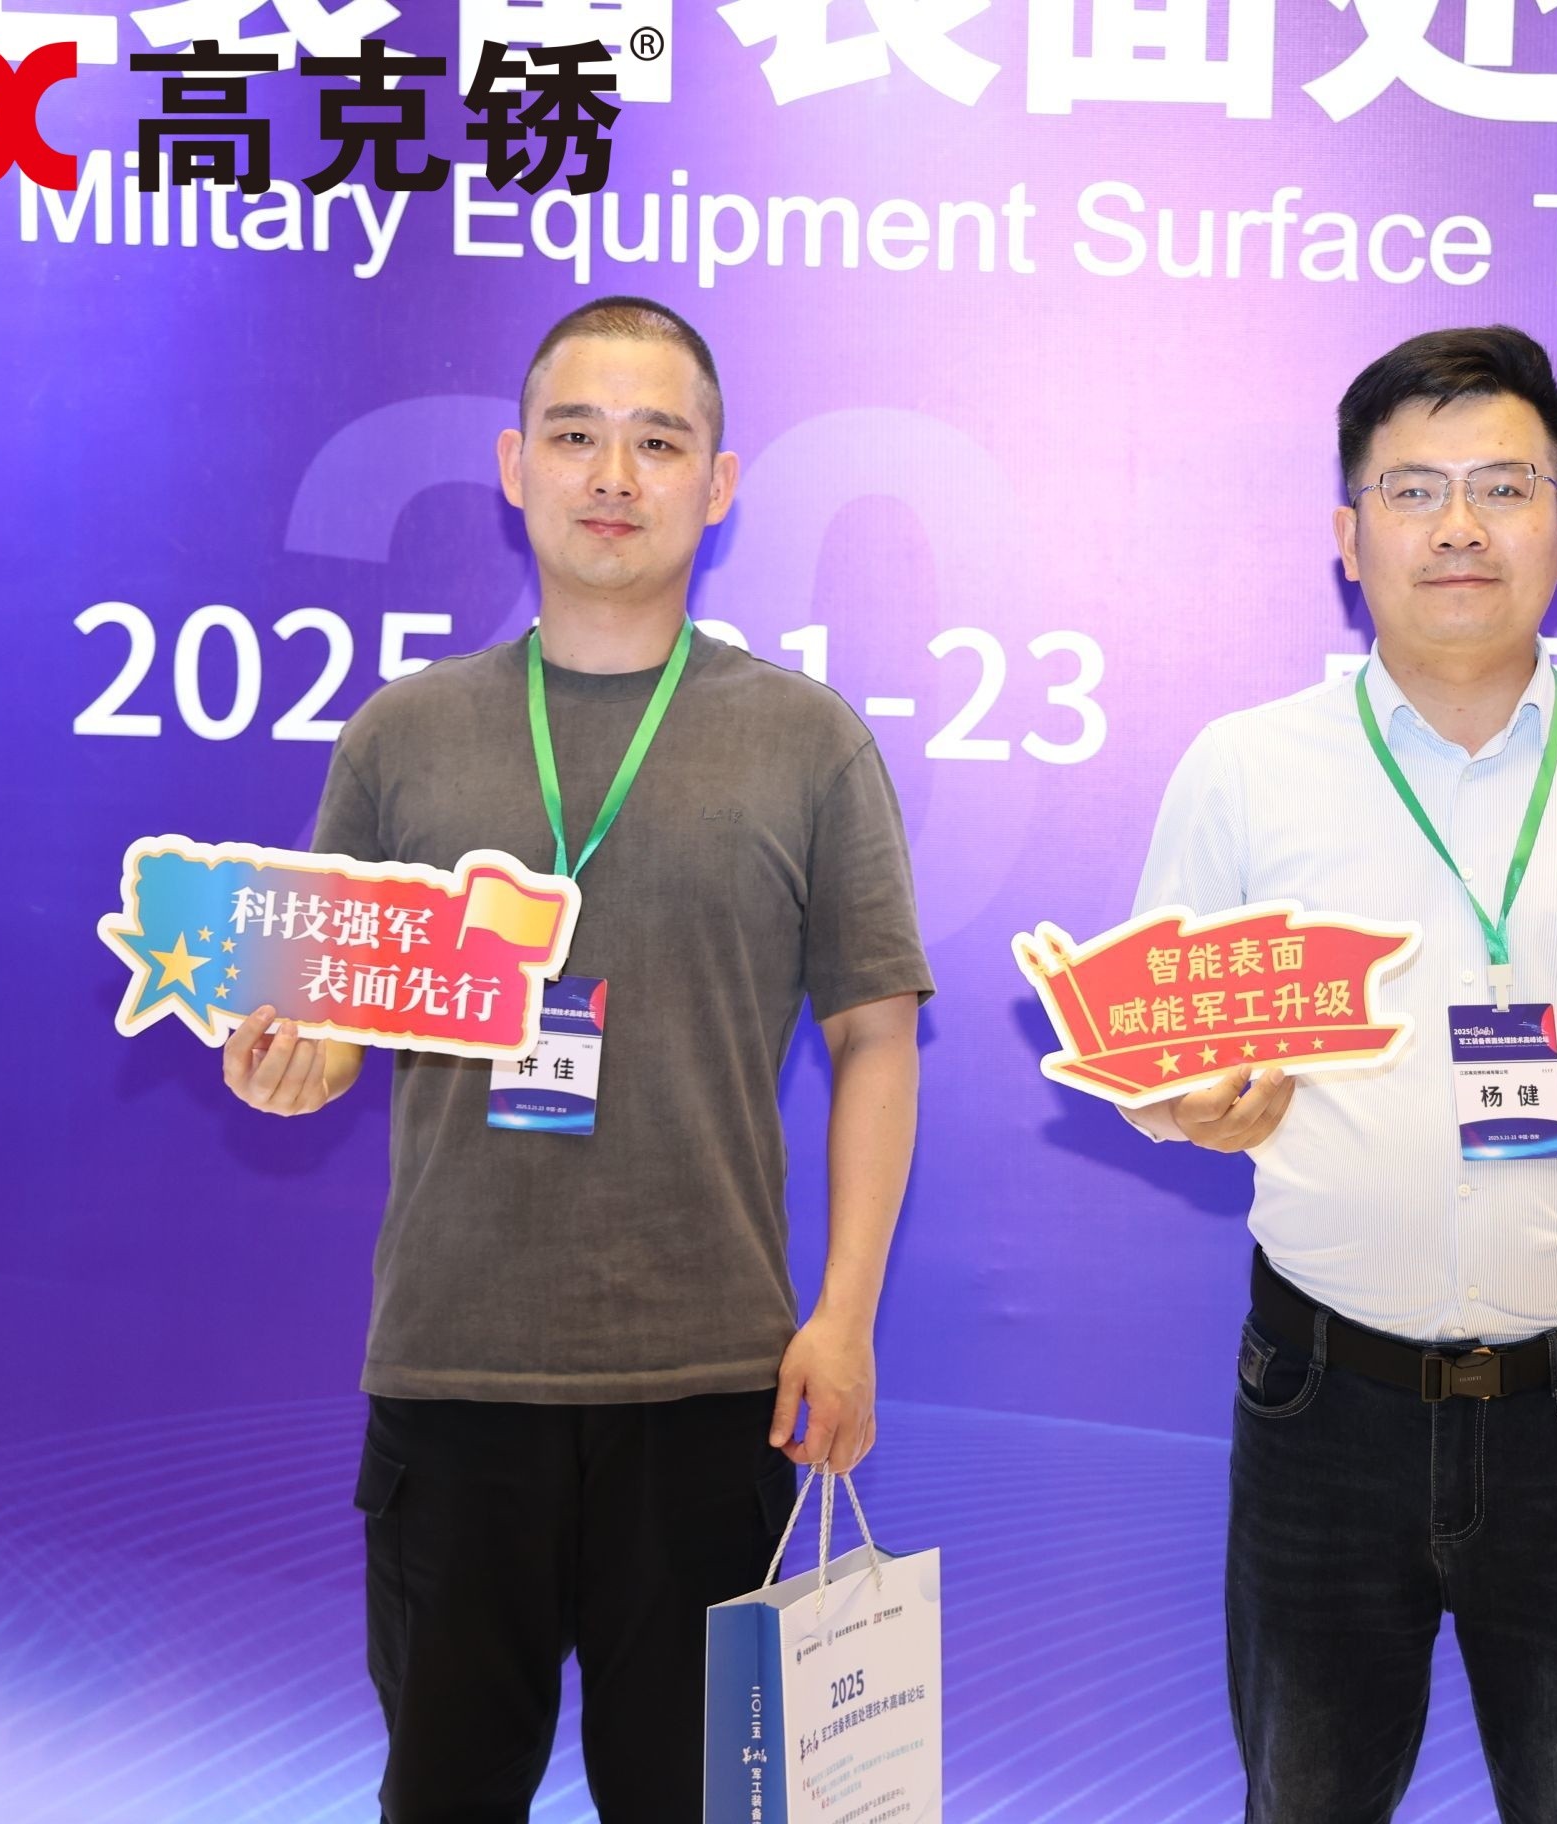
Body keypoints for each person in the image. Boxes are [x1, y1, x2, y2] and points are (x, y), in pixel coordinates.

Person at [216, 296, 934, 1823]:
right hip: (456, 1374)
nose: (614, 474)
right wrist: (288, 1062)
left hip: (714, 1388)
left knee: (690, 1800)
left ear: (717, 485)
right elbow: (327, 1031)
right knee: (445, 1794)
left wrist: (845, 1316)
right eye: (576, 435)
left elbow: (877, 1035)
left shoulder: (809, 742)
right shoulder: (403, 735)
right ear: (513, 466)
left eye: (658, 442)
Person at [1125, 325, 1557, 1823]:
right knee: (1304, 1801)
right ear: (1348, 535)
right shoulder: (1246, 769)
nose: (1459, 526)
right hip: (1323, 1404)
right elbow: (1160, 1065)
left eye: (1503, 485)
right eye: (1413, 489)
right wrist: (1190, 1107)